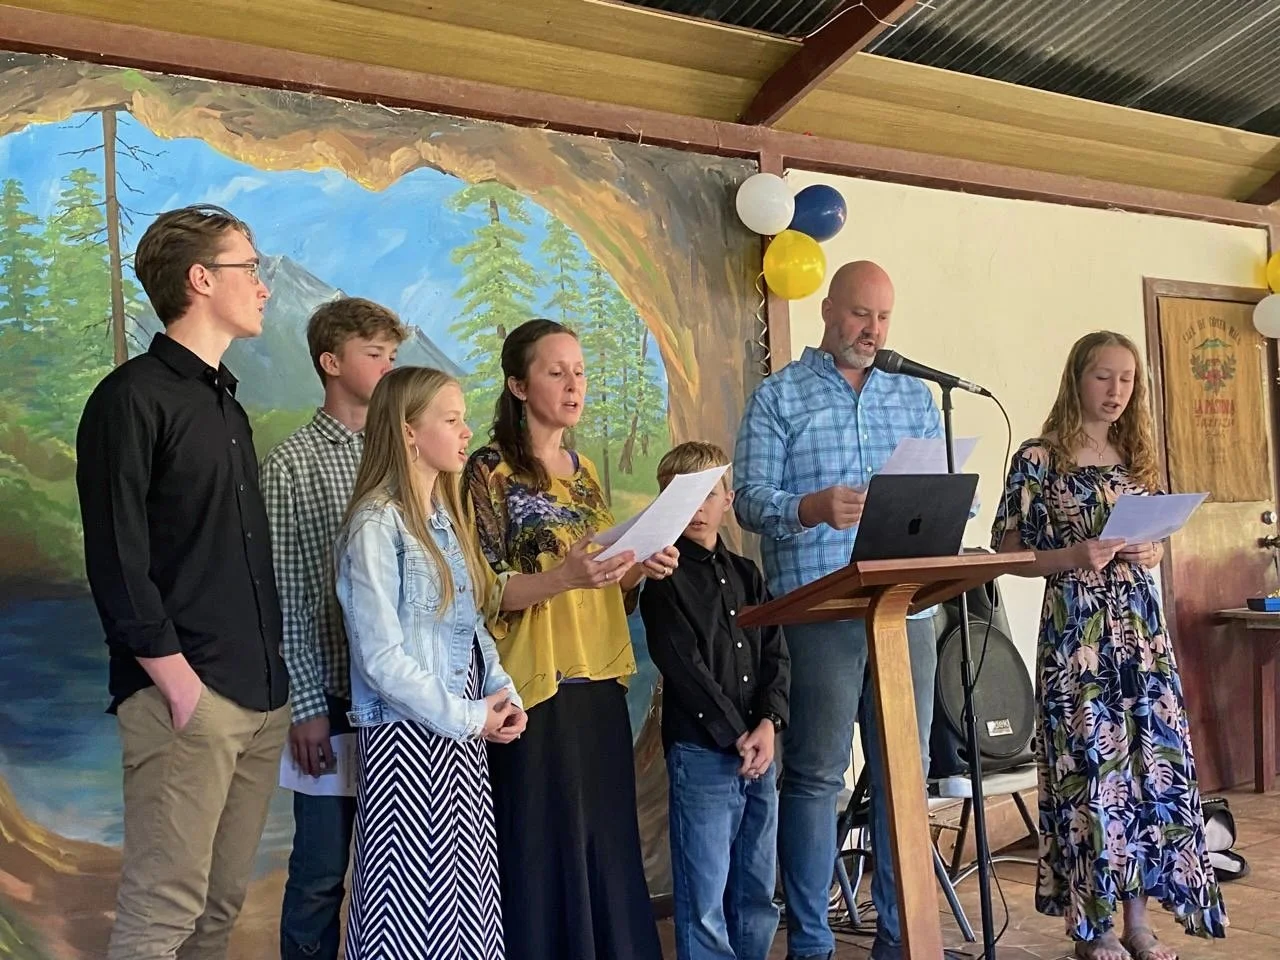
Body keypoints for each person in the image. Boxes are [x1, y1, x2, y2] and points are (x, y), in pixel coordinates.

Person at [75, 204, 290, 960]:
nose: (263, 286)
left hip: (260, 698)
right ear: (201, 279)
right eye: (250, 268)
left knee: (217, 910)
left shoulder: (226, 404)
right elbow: (116, 556)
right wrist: (176, 684)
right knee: (162, 912)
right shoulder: (131, 399)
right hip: (187, 698)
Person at [734, 260, 952, 960]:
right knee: (816, 774)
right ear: (829, 310)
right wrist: (810, 507)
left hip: (902, 613)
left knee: (904, 775)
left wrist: (948, 509)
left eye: (884, 317)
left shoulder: (915, 396)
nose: (873, 329)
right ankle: (813, 943)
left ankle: (903, 935)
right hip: (818, 608)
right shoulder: (780, 395)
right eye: (861, 314)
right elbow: (749, 499)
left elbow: (943, 490)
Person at [992, 331, 1226, 960]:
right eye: (1104, 377)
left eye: (1126, 379)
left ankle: (1139, 923)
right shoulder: (1039, 457)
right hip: (1077, 637)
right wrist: (1070, 556)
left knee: (1148, 773)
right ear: (1077, 379)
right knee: (1091, 774)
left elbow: (1153, 528)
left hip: (1140, 638)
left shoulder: (1138, 454)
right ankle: (1088, 927)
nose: (1117, 390)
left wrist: (1153, 547)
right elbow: (1007, 552)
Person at [464, 317, 679, 960]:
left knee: (604, 838)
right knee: (542, 839)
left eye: (579, 371)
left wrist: (640, 566)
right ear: (517, 385)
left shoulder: (584, 471)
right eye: (555, 371)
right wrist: (561, 575)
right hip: (530, 683)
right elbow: (484, 591)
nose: (572, 383)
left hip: (599, 675)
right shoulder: (488, 469)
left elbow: (603, 579)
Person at [336, 365, 526, 958]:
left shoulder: (445, 520)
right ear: (409, 431)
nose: (467, 431)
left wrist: (503, 691)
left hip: (459, 742)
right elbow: (381, 659)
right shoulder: (375, 523)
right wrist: (470, 716)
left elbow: (468, 628)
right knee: (407, 921)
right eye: (451, 419)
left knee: (466, 916)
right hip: (405, 750)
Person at [263, 297, 407, 960]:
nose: (387, 366)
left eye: (392, 356)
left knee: (405, 872)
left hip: (406, 702)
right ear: (331, 362)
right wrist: (309, 709)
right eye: (374, 354)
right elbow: (288, 599)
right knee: (322, 870)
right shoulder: (289, 465)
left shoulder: (406, 457)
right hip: (335, 701)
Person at [639, 441, 790, 960]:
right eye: (683, 495)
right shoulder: (662, 583)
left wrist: (768, 723)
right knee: (704, 893)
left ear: (727, 499)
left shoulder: (748, 575)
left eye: (709, 493)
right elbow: (684, 668)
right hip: (704, 753)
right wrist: (736, 734)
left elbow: (776, 653)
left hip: (761, 751)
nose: (698, 506)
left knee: (755, 885)